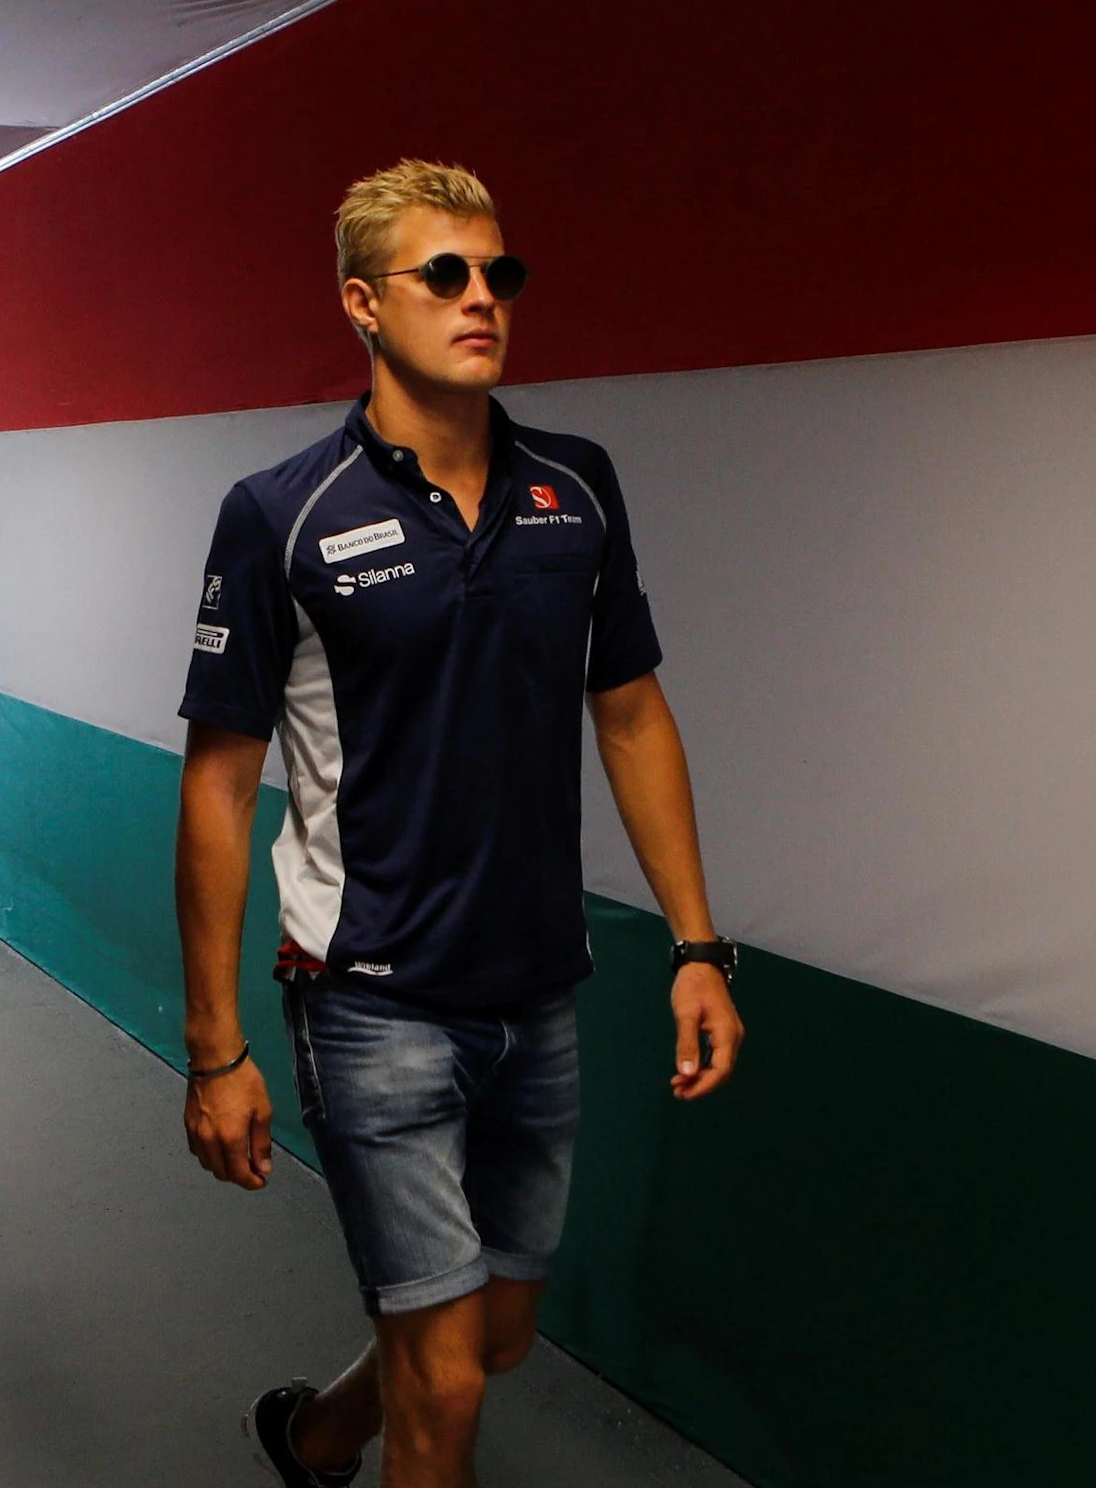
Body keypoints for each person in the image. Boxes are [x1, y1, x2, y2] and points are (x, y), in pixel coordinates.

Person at [175, 160, 746, 1486]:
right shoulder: (282, 514)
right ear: (364, 306)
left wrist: (698, 947)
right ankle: (354, 1434)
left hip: (540, 992)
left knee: (494, 1337)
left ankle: (314, 1436)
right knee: (443, 1392)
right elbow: (216, 781)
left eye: (499, 274)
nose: (482, 297)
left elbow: (633, 716)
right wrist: (213, 1049)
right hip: (371, 995)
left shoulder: (578, 489)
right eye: (446, 275)